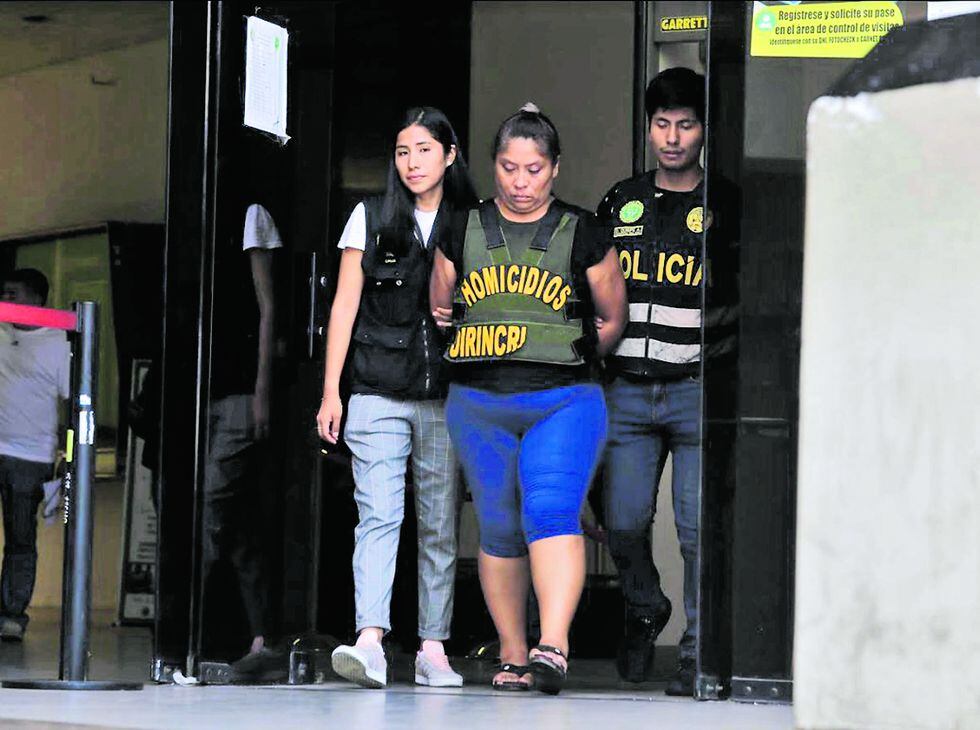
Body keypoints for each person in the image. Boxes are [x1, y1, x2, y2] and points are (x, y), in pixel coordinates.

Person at [430, 104, 628, 695]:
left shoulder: (583, 230)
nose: (521, 182)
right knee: (497, 523)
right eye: (509, 168)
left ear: (555, 168)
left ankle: (554, 646)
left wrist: (564, 355)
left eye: (534, 169)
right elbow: (441, 309)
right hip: (478, 401)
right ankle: (514, 653)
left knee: (550, 509)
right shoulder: (460, 226)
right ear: (493, 165)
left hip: (562, 400)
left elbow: (612, 318)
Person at [317, 106, 478, 689]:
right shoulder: (370, 217)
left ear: (450, 155)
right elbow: (344, 305)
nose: (412, 162)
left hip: (448, 394)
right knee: (379, 516)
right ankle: (370, 641)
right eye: (403, 151)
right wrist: (331, 392)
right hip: (376, 390)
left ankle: (434, 648)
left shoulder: (474, 221)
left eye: (425, 150)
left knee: (439, 524)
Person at [596, 67, 738, 695]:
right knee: (622, 522)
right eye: (662, 124)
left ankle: (697, 656)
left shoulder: (728, 203)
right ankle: (644, 605)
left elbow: (750, 294)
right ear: (648, 129)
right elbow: (590, 284)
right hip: (627, 389)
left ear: (705, 130)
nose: (673, 138)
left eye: (685, 125)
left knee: (697, 531)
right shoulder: (619, 200)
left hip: (697, 390)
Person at [200, 201, 281, 659]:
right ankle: (253, 634)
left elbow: (267, 308)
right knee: (233, 521)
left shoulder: (249, 211)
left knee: (212, 512)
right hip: (204, 391)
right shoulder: (202, 218)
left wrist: (261, 392)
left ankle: (204, 633)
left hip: (237, 395)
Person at [0, 268, 70, 641]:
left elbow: (74, 402)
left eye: (13, 294)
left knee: (21, 538)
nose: (6, 301)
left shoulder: (58, 342)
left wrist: (70, 454)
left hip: (31, 457)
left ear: (37, 300)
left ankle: (11, 615)